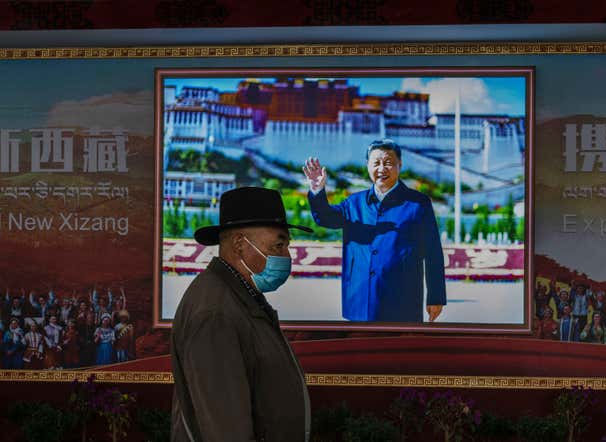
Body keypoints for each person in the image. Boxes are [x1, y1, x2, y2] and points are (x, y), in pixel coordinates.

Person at [171, 187, 312, 442]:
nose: (287, 256)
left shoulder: (240, 298)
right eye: (278, 245)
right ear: (239, 244)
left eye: (287, 246)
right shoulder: (215, 314)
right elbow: (227, 429)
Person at [303, 139, 446, 322]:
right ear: (368, 165)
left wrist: (436, 296)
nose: (381, 168)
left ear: (399, 165)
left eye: (387, 163)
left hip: (402, 300)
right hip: (360, 298)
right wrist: (317, 192)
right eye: (376, 163)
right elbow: (325, 218)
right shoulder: (354, 203)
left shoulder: (418, 204)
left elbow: (433, 251)